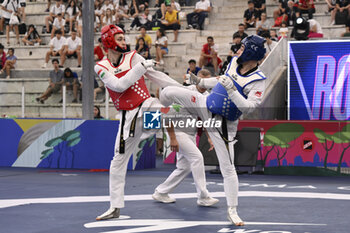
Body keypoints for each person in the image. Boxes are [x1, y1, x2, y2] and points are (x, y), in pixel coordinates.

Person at [159, 35, 267, 226]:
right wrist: (199, 83)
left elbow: (249, 108)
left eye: (242, 48)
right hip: (205, 105)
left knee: (228, 168)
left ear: (251, 52)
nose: (237, 51)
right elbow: (220, 80)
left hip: (224, 124)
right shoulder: (234, 62)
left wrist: (232, 90)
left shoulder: (258, 79)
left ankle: (232, 210)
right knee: (168, 92)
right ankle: (163, 116)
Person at [94, 24, 181, 221]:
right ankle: (115, 207)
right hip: (127, 118)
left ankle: (196, 104)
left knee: (168, 112)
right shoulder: (100, 66)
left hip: (146, 106)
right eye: (119, 38)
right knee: (118, 160)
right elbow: (119, 85)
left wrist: (185, 89)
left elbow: (157, 77)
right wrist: (141, 67)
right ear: (108, 41)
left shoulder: (133, 56)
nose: (124, 41)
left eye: (124, 38)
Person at [152, 69, 219, 207]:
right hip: (178, 132)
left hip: (191, 133)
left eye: (206, 83)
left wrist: (209, 137)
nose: (203, 85)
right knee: (197, 158)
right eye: (200, 81)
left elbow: (204, 118)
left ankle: (161, 192)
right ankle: (203, 196)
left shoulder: (207, 96)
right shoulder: (182, 91)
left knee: (184, 167)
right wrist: (173, 138)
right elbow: (167, 114)